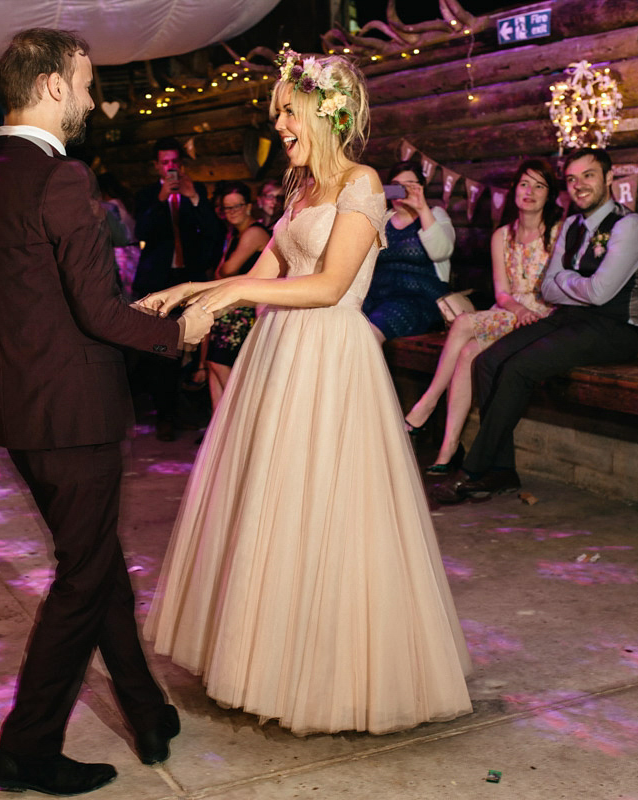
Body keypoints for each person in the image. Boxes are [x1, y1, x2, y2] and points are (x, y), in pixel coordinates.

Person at [139, 50, 472, 736]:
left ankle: (329, 678)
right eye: (277, 112)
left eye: (288, 111)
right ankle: (263, 661)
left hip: (330, 357)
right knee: (272, 508)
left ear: (328, 111)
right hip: (279, 355)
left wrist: (230, 293)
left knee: (328, 514)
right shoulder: (297, 192)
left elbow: (326, 286)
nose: (279, 122)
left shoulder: (363, 184)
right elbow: (269, 267)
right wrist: (192, 290)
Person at [0, 28, 212, 795]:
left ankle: (145, 710)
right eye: (85, 82)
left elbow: (38, 300)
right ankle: (27, 747)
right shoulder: (62, 177)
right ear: (48, 86)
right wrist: (179, 331)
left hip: (23, 406)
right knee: (84, 578)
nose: (93, 98)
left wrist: (128, 311)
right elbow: (100, 313)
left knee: (99, 565)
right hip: (73, 411)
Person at [434, 148, 638, 503]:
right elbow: (548, 287)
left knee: (519, 368)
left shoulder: (629, 226)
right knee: (488, 361)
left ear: (609, 178)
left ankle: (474, 469)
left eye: (588, 175)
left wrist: (567, 282)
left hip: (616, 329)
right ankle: (503, 470)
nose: (579, 185)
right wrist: (572, 284)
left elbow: (600, 293)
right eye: (572, 179)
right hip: (569, 319)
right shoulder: (571, 226)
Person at [404, 158, 562, 474]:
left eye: (539, 186)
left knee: (463, 322)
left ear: (550, 195)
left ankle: (427, 403)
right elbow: (502, 293)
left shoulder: (558, 233)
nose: (530, 191)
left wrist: (528, 311)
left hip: (543, 315)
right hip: (509, 312)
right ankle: (448, 451)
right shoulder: (502, 235)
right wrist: (517, 310)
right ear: (516, 190)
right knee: (466, 354)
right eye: (524, 184)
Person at [131, 137, 222, 441]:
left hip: (191, 281)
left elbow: (212, 232)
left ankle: (190, 412)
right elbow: (141, 233)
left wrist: (195, 198)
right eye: (165, 162)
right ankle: (165, 416)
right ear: (157, 165)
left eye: (174, 161)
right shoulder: (146, 195)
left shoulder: (196, 192)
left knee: (194, 348)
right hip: (158, 282)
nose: (171, 167)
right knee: (161, 351)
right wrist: (160, 200)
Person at [190, 181, 270, 408]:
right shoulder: (236, 234)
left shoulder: (254, 232)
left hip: (246, 310)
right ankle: (219, 430)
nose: (232, 212)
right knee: (214, 365)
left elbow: (226, 271)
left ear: (248, 206)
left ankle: (238, 417)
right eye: (227, 208)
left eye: (237, 206)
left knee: (220, 364)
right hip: (231, 308)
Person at [361, 159, 455, 344]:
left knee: (369, 334)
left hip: (418, 300)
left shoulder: (434, 215)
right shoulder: (379, 219)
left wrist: (421, 208)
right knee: (345, 325)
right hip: (377, 295)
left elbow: (441, 252)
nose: (402, 191)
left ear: (421, 188)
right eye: (396, 186)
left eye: (409, 186)